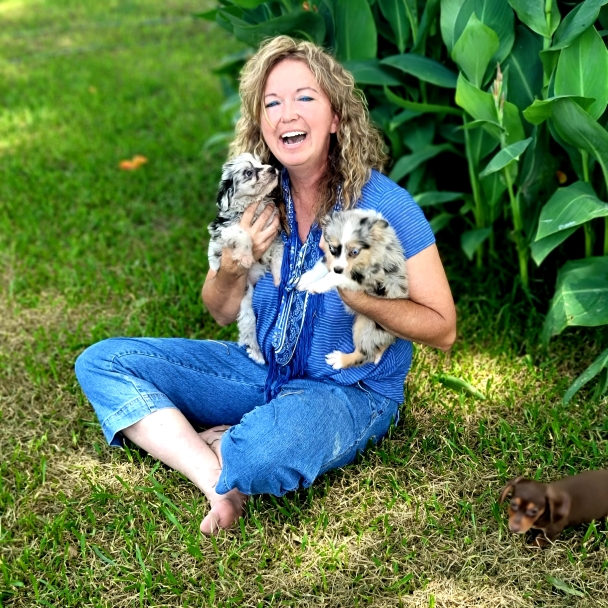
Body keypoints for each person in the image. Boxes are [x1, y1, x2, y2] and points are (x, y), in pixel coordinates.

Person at [75, 36, 456, 535]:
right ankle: (215, 476)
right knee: (102, 362)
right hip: (263, 370)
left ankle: (224, 443)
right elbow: (219, 311)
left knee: (261, 455)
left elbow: (443, 329)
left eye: (304, 98)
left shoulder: (387, 206)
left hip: (347, 391)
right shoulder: (258, 196)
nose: (285, 114)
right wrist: (235, 265)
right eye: (271, 103)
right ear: (260, 123)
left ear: (337, 117)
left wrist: (355, 295)